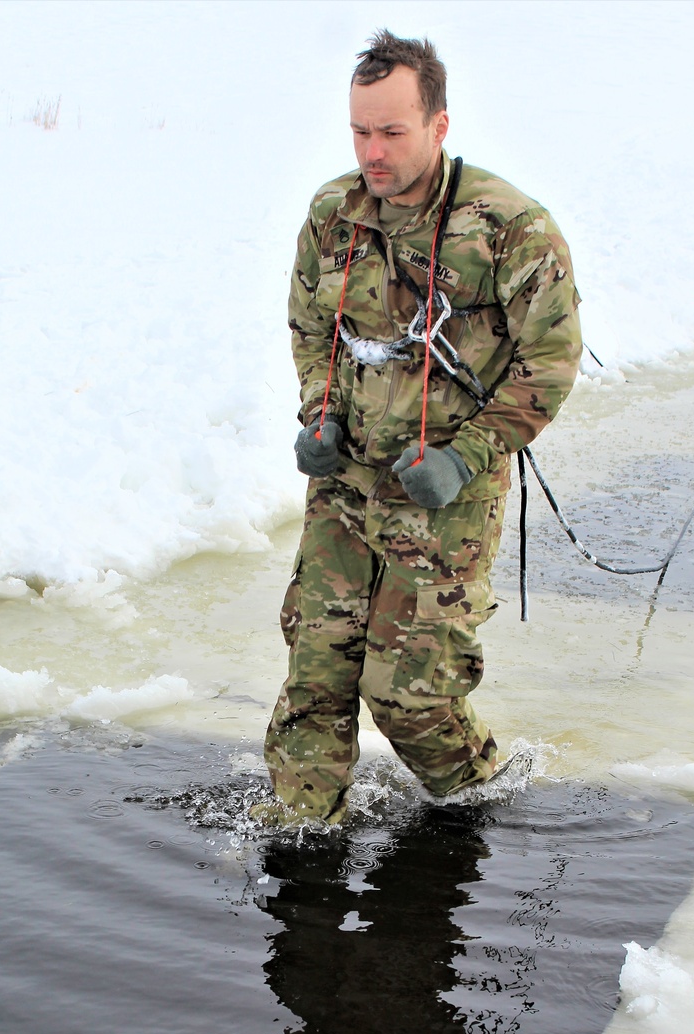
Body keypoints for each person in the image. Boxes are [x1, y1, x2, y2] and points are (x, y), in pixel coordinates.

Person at [260, 30, 582, 824]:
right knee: (316, 672)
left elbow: (550, 361)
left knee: (407, 696)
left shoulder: (509, 229)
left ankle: (485, 802)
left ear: (439, 125)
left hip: (444, 493)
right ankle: (301, 834)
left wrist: (468, 454)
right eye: (361, 131)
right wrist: (320, 413)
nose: (374, 151)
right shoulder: (333, 214)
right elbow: (310, 327)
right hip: (347, 482)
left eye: (392, 132)